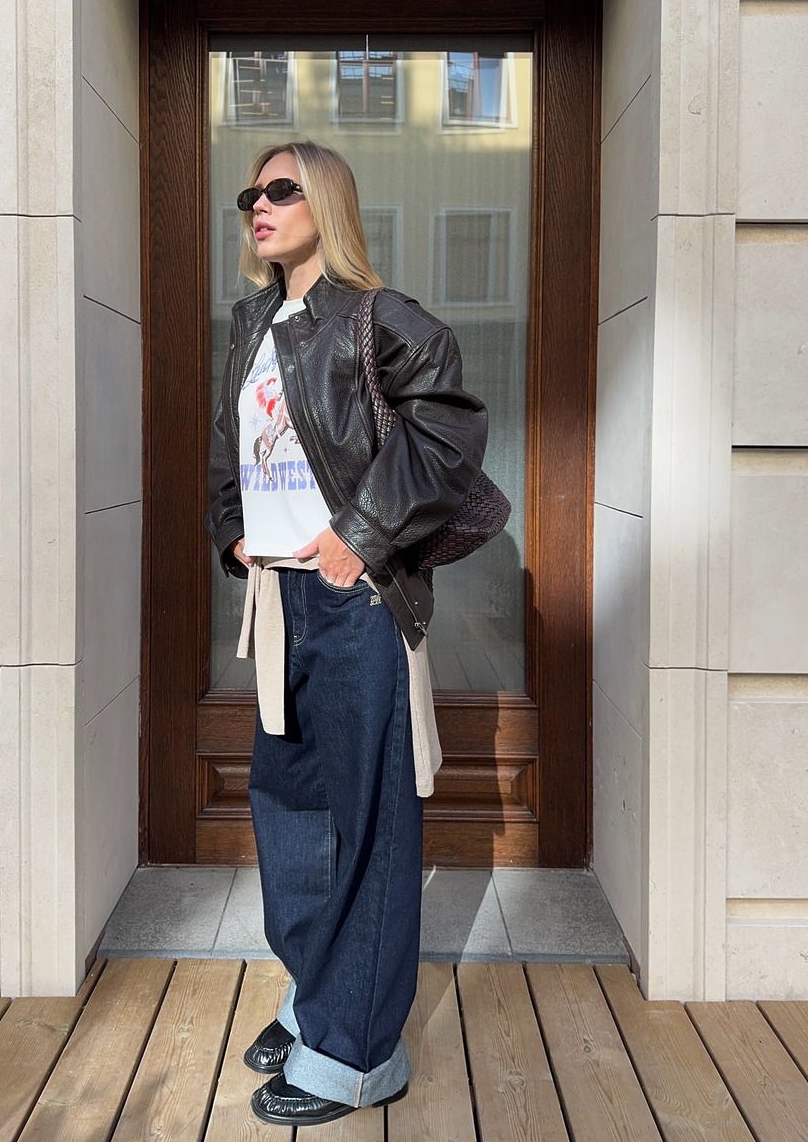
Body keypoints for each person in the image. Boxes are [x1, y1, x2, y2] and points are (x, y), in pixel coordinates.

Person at [205, 140, 489, 1127]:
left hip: (355, 602)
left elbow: (449, 433)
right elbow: (231, 453)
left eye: (281, 189)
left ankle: (361, 1056)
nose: (260, 204)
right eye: (252, 192)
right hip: (278, 601)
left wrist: (357, 536)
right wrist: (231, 533)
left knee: (368, 825)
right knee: (290, 813)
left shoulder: (376, 316)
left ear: (325, 201)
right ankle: (318, 995)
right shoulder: (253, 324)